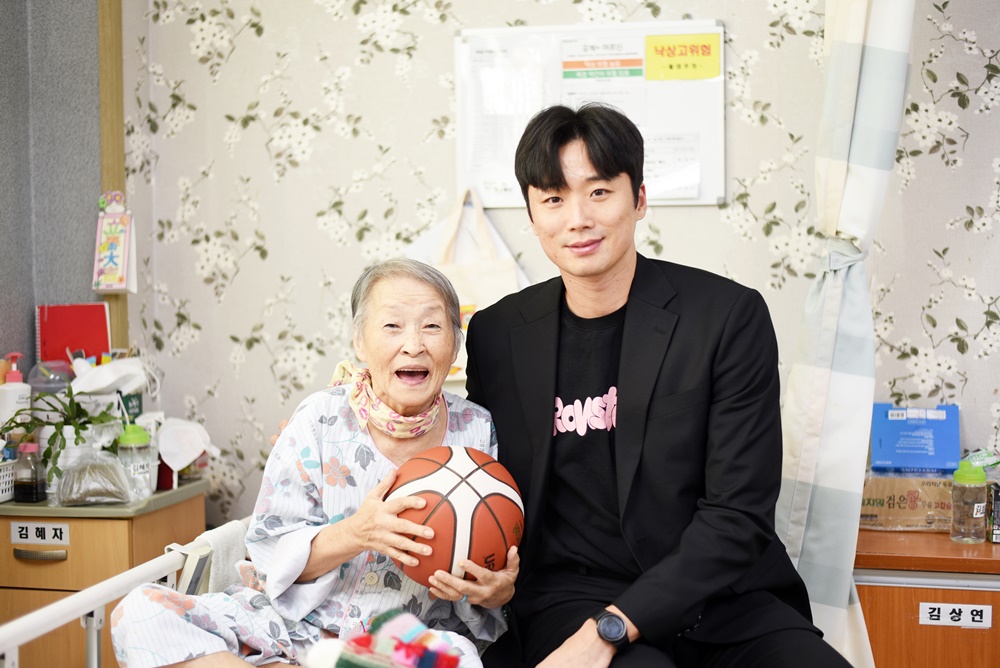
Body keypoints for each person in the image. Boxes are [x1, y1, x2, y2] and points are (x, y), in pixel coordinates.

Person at [453, 103, 854, 668]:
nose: (577, 218)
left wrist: (611, 629)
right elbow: (482, 482)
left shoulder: (726, 318)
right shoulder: (499, 334)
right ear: (532, 214)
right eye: (554, 199)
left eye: (599, 192)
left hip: (721, 597)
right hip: (571, 597)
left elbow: (738, 515)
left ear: (639, 199)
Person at [111, 259, 519, 668]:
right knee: (141, 613)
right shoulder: (318, 418)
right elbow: (269, 556)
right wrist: (356, 533)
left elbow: (489, 569)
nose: (413, 344)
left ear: (455, 345)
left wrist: (495, 592)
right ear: (359, 342)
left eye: (431, 326)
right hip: (288, 627)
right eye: (392, 326)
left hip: (398, 643)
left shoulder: (478, 432)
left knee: (458, 659)